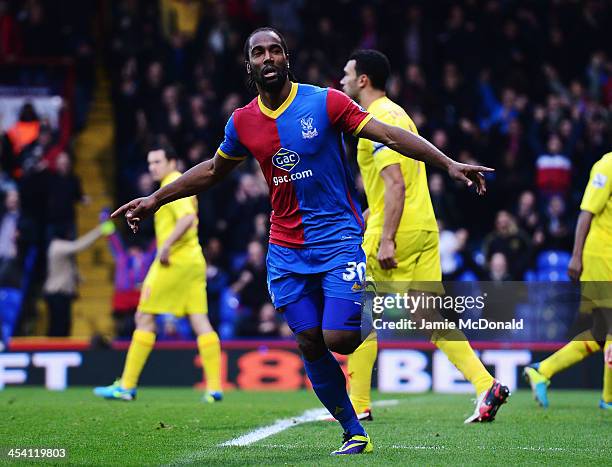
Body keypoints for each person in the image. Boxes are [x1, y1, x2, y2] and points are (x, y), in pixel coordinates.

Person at [112, 27, 492, 455]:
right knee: (309, 340)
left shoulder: (325, 101)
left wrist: (448, 164)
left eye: (276, 50)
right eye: (259, 52)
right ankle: (354, 431)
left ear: (287, 59)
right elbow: (213, 170)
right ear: (249, 64)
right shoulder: (243, 122)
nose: (269, 58)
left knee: (340, 339)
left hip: (339, 241)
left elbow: (388, 135)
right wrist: (156, 198)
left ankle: (369, 305)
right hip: (286, 250)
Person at [341, 49, 509, 424]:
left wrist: (385, 238)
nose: (342, 80)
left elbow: (395, 183)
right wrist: (369, 215)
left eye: (347, 74)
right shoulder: (398, 114)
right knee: (431, 317)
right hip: (423, 227)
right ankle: (486, 384)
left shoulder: (374, 119)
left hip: (397, 232)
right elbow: (399, 185)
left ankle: (358, 405)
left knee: (360, 313)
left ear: (363, 80)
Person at [94, 143, 223, 403]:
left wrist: (165, 245)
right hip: (192, 261)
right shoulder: (176, 184)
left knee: (144, 316)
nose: (152, 167)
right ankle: (215, 387)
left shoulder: (174, 182)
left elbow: (187, 219)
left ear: (172, 162)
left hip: (173, 262)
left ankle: (127, 386)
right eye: (150, 163)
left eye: (157, 162)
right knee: (200, 321)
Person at [524, 152, 612, 410]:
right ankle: (608, 399)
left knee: (598, 333)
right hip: (600, 257)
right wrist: (576, 256)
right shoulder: (607, 165)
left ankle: (543, 370)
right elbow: (586, 213)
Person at [44, 220, 115, 336]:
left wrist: (78, 277)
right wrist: (100, 230)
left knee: (65, 327)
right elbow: (79, 246)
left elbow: (68, 265)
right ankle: (53, 353)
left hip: (63, 293)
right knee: (58, 328)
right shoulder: (57, 245)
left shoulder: (59, 247)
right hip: (57, 294)